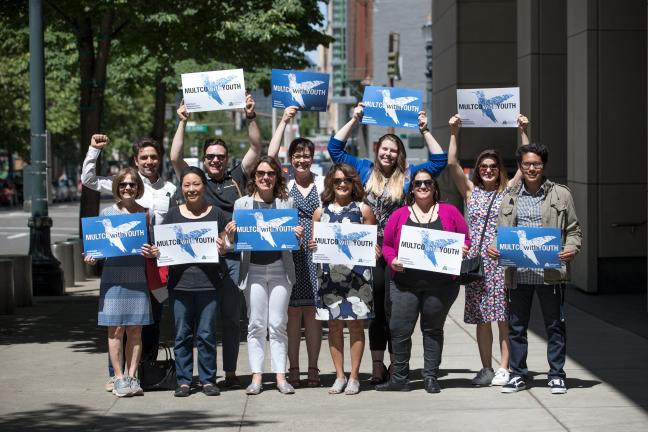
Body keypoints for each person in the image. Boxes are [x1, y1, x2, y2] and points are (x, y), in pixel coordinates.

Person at [328, 104, 448, 384]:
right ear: (377, 149)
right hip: (366, 249)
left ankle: (399, 364)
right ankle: (378, 364)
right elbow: (335, 149)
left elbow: (439, 161)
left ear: (399, 154)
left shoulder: (408, 176)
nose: (388, 153)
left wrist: (425, 130)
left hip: (399, 250)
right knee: (377, 310)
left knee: (397, 310)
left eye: (394, 150)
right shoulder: (362, 169)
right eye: (385, 148)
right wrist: (355, 119)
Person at [170, 95, 261, 389]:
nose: (215, 160)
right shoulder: (196, 180)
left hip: (232, 257)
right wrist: (182, 120)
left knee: (231, 319)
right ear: (204, 159)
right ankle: (197, 377)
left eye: (220, 156)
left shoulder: (236, 175)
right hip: (201, 262)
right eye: (210, 156)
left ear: (226, 158)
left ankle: (231, 372)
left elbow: (256, 148)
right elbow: (173, 157)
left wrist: (250, 117)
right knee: (202, 323)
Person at [82, 134, 175, 392]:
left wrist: (159, 251)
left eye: (153, 157)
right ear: (136, 160)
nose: (149, 161)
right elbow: (88, 180)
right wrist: (93, 150)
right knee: (117, 327)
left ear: (160, 160)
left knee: (147, 325)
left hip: (152, 266)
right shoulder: (121, 183)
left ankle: (142, 374)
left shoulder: (170, 189)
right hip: (119, 271)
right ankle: (117, 375)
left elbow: (171, 228)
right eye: (144, 157)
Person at [488, 144, 581, 394]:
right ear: (520, 166)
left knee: (555, 325)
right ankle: (518, 374)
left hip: (550, 274)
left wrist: (572, 248)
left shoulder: (561, 195)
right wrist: (494, 247)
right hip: (518, 274)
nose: (532, 168)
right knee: (517, 326)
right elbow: (501, 233)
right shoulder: (509, 197)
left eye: (536, 164)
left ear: (543, 166)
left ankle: (556, 374)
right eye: (527, 164)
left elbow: (573, 230)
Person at [446, 113, 528, 387]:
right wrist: (455, 132)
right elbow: (452, 163)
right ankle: (486, 368)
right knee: (483, 317)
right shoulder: (471, 192)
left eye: (493, 166)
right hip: (477, 263)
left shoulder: (509, 191)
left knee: (502, 317)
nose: (488, 170)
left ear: (499, 168)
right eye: (484, 166)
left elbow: (524, 165)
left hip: (502, 262)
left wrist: (523, 131)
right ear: (478, 169)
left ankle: (504, 367)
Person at [378, 169, 469, 393]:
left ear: (434, 187)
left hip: (441, 286)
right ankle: (399, 378)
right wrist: (392, 260)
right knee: (399, 330)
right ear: (412, 188)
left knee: (432, 330)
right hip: (404, 284)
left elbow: (465, 238)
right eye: (418, 183)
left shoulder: (450, 212)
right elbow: (388, 245)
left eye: (427, 182)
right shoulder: (399, 215)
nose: (423, 186)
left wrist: (463, 248)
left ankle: (430, 377)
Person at [229, 156, 305, 395]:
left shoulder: (286, 203)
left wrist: (298, 235)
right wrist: (231, 234)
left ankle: (281, 377)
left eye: (270, 173)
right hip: (252, 270)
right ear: (254, 177)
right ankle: (257, 377)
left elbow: (293, 245)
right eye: (261, 173)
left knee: (278, 323)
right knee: (256, 324)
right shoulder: (242, 205)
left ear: (276, 177)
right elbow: (234, 244)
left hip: (281, 269)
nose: (265, 178)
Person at [84, 167, 160, 397]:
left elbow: (157, 248)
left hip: (137, 277)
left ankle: (132, 376)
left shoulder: (147, 214)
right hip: (113, 277)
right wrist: (92, 258)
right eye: (123, 184)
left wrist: (153, 252)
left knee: (135, 330)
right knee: (115, 329)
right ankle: (118, 378)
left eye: (132, 184)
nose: (128, 188)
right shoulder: (107, 215)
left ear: (139, 188)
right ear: (117, 187)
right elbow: (97, 249)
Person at [308, 163, 377, 395]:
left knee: (356, 326)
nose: (342, 184)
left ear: (353, 183)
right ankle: (339, 376)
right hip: (329, 278)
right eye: (337, 181)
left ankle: (355, 376)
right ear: (331, 183)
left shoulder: (364, 210)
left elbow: (370, 243)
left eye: (346, 180)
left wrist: (374, 249)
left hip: (357, 279)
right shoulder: (320, 212)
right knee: (335, 326)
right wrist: (313, 245)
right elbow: (316, 244)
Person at [267, 106, 324, 388]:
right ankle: (294, 368)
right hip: (289, 256)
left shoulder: (323, 184)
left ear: (312, 158)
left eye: (306, 155)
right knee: (291, 314)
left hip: (316, 256)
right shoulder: (283, 185)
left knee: (312, 313)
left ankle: (314, 368)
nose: (302, 159)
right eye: (297, 155)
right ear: (290, 159)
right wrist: (283, 121)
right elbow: (270, 155)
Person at [163, 167, 229, 397]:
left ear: (204, 186)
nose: (191, 189)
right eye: (187, 185)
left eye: (196, 184)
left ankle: (208, 380)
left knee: (207, 335)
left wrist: (225, 246)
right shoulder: (171, 215)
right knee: (182, 335)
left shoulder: (217, 214)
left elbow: (226, 241)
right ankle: (183, 381)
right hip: (179, 285)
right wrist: (155, 252)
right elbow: (162, 248)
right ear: (182, 188)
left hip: (209, 284)